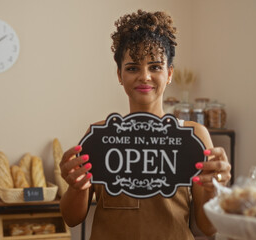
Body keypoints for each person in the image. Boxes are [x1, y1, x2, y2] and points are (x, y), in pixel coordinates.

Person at [60, 9, 231, 239]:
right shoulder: (100, 135)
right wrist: (75, 185)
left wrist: (214, 190)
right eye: (132, 68)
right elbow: (72, 218)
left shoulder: (193, 135)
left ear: (169, 73)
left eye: (155, 67)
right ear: (119, 75)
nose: (144, 76)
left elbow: (208, 227)